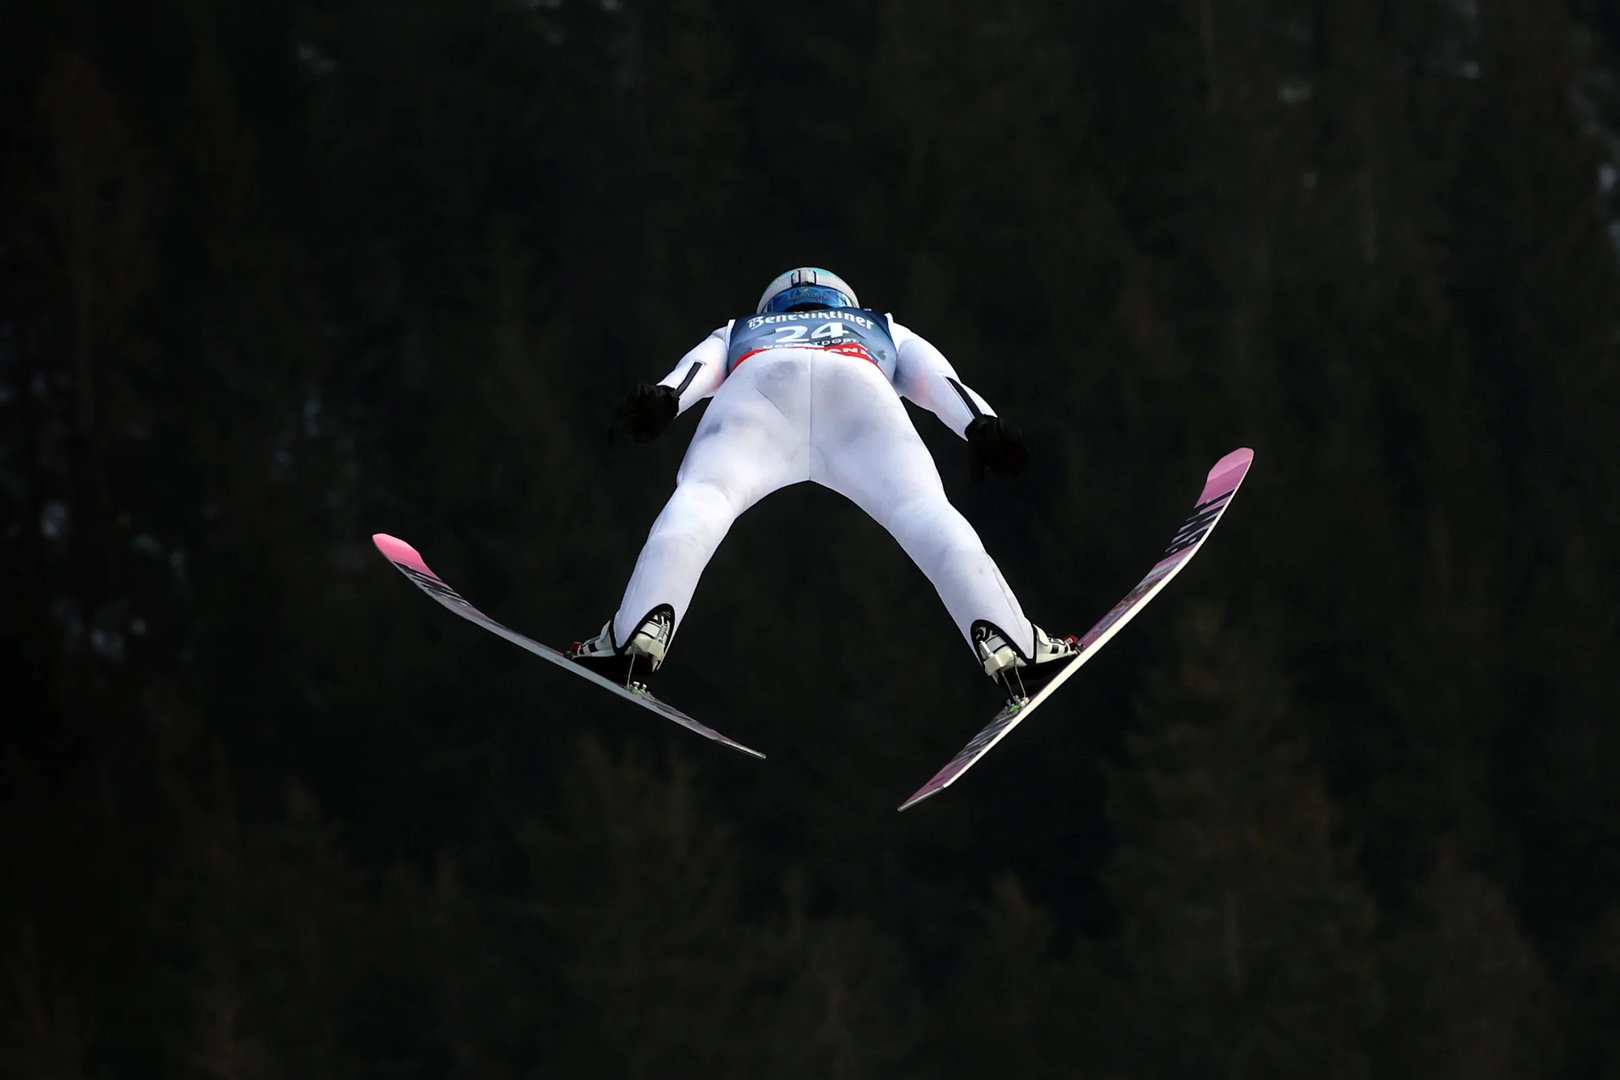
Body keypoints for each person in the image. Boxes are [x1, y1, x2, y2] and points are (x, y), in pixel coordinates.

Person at [570, 267, 1077, 700]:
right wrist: (979, 424)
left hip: (761, 386)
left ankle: (638, 631)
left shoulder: (743, 327)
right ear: (843, 302)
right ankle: (1011, 643)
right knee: (924, 513)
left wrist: (667, 400)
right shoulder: (879, 325)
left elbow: (692, 372)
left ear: (773, 305)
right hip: (859, 388)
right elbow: (941, 383)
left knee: (703, 500)